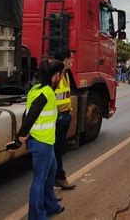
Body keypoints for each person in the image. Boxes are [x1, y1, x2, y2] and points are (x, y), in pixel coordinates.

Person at [6, 59, 65, 219]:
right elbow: (30, 117)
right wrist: (19, 139)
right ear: (56, 76)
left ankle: (51, 206)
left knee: (51, 173)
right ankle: (36, 216)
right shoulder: (46, 92)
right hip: (42, 143)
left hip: (45, 141)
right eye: (61, 74)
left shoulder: (35, 89)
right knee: (39, 180)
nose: (61, 78)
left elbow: (27, 113)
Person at [53, 49, 76, 190]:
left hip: (64, 115)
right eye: (71, 59)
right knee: (55, 150)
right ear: (65, 60)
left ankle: (58, 178)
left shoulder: (65, 74)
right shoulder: (56, 76)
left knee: (58, 149)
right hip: (58, 117)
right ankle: (59, 177)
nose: (72, 61)